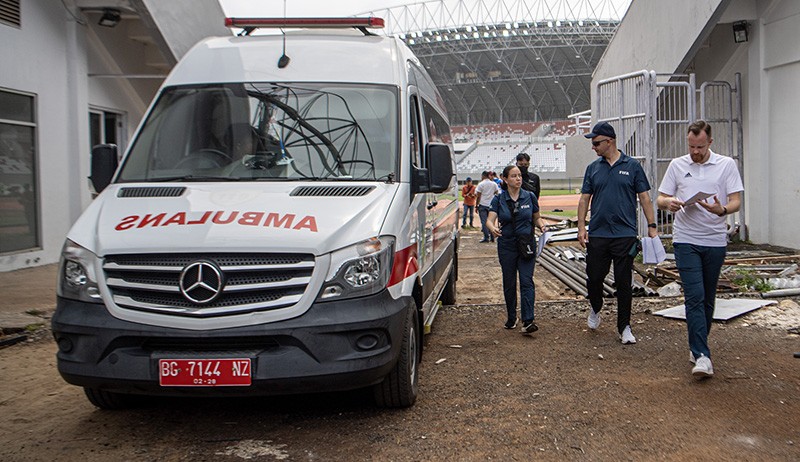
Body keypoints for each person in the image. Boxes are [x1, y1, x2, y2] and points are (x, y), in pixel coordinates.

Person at [656, 120, 743, 379]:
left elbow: (736, 200)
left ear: (710, 143)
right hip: (686, 240)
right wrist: (668, 203)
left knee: (707, 298)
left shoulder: (726, 165)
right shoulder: (677, 165)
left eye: (700, 147)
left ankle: (697, 345)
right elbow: (660, 197)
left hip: (715, 240)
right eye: (691, 146)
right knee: (693, 296)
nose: (695, 151)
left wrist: (723, 210)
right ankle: (703, 355)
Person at [577, 121, 658, 344]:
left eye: (596, 143)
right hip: (599, 234)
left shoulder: (632, 166)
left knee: (624, 283)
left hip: (624, 234)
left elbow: (644, 198)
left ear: (609, 141)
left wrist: (652, 226)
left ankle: (625, 327)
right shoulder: (593, 168)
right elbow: (585, 199)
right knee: (594, 278)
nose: (593, 147)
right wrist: (582, 227)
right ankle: (595, 308)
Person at [486, 165, 547, 333]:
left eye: (519, 175)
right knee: (509, 282)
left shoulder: (530, 197)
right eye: (513, 176)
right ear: (505, 179)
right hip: (507, 245)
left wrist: (542, 226)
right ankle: (512, 317)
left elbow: (536, 218)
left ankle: (528, 320)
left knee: (527, 281)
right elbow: (490, 220)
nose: (518, 179)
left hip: (526, 243)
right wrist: (492, 229)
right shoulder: (498, 199)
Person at [475, 171, 498, 243]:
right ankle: (492, 237)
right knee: (491, 221)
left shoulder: (481, 184)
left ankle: (486, 237)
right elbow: (496, 192)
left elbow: (478, 195)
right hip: (491, 204)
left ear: (483, 176)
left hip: (483, 204)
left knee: (484, 222)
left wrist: (477, 205)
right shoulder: (494, 184)